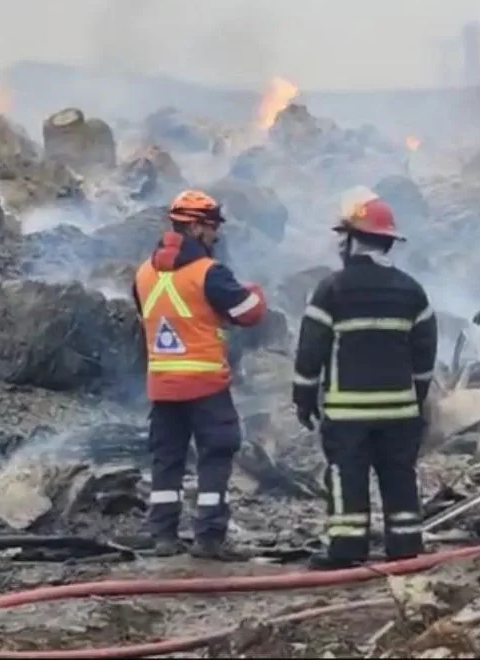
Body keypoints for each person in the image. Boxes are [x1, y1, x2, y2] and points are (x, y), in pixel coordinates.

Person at [292, 187, 438, 569]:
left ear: (352, 240)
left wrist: (304, 396)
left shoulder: (331, 289)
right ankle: (406, 546)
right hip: (400, 411)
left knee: (348, 475)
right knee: (399, 477)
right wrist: (417, 394)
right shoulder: (411, 291)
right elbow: (425, 351)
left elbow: (311, 348)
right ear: (388, 242)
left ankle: (347, 549)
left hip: (348, 413)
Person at [132, 190, 268, 561]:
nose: (215, 234)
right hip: (205, 385)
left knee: (167, 459)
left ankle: (163, 535)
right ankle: (209, 538)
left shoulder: (143, 273)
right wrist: (256, 291)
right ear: (194, 227)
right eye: (211, 227)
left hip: (162, 386)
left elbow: (150, 314)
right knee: (216, 455)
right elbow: (249, 312)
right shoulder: (209, 273)